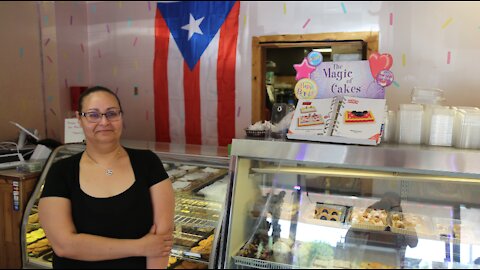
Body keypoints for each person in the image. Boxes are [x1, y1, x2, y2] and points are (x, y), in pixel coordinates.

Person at [38, 86, 175, 269]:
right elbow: (64, 245)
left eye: (112, 114)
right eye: (93, 115)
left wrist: (151, 249)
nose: (104, 122)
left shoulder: (148, 162)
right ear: (79, 119)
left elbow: (161, 239)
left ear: (121, 116)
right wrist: (141, 247)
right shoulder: (61, 171)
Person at [344, 192, 418, 268]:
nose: (389, 209)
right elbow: (349, 240)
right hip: (367, 263)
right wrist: (371, 212)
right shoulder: (370, 218)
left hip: (392, 264)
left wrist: (402, 221)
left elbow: (413, 243)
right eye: (386, 204)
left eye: (394, 207)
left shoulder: (401, 223)